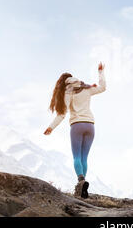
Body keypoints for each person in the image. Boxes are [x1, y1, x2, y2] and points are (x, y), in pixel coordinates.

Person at [44, 62, 106, 198]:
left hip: (77, 126)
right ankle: (83, 187)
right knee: (84, 158)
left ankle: (81, 181)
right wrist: (100, 72)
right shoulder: (87, 88)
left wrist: (51, 127)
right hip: (90, 126)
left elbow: (61, 114)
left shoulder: (67, 93)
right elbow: (102, 88)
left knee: (77, 157)